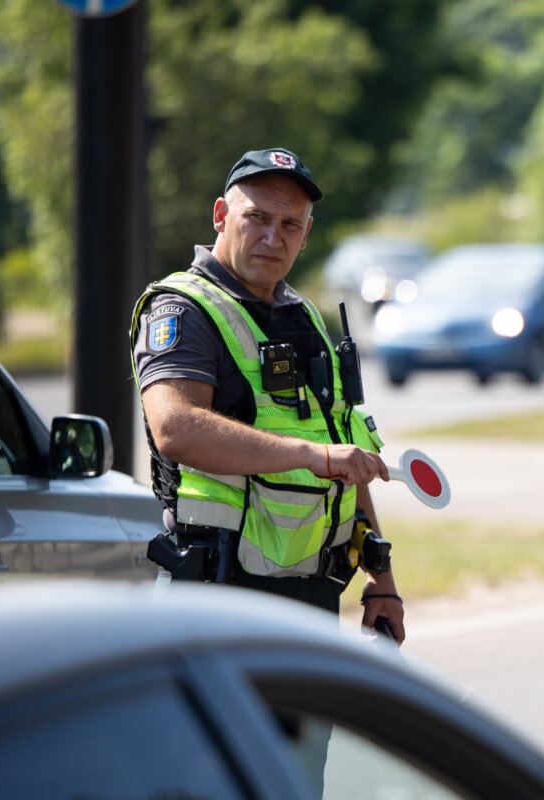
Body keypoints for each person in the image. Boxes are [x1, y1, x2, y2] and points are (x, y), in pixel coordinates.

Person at [130, 148, 405, 646]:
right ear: (221, 215)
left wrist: (380, 582)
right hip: (216, 594)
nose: (272, 238)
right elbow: (175, 428)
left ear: (307, 233)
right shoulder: (183, 307)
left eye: (290, 225)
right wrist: (313, 456)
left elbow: (343, 447)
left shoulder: (303, 318)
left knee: (303, 729)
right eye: (256, 218)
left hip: (314, 595)